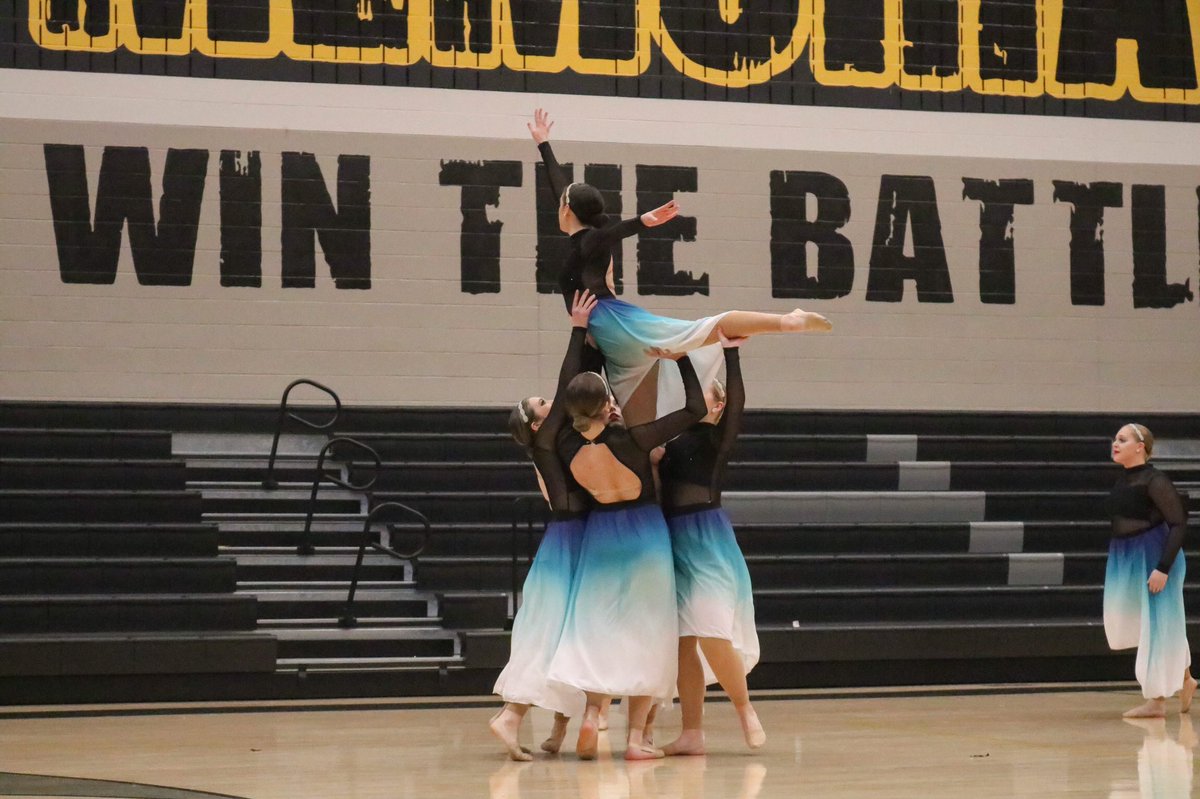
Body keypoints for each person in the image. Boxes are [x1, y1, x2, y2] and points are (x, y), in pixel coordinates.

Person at [528, 108, 831, 426]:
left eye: (562, 204)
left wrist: (642, 221)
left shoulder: (588, 241)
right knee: (638, 427)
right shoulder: (580, 237)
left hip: (613, 326)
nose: (558, 205)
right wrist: (544, 144)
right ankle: (784, 323)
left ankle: (788, 321)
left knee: (705, 327)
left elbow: (605, 234)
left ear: (567, 211)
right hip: (608, 341)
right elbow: (562, 193)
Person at [546, 352, 707, 760]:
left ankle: (591, 713)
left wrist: (582, 341)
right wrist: (683, 359)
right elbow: (695, 408)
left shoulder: (563, 442)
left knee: (601, 633)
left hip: (601, 534)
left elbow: (568, 398)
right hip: (645, 537)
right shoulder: (634, 438)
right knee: (649, 637)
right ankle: (636, 739)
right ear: (608, 405)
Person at [491, 290, 598, 760]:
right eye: (542, 403)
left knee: (573, 637)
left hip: (573, 538)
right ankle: (509, 718)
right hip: (569, 542)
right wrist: (578, 329)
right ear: (536, 423)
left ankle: (558, 730)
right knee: (550, 633)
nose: (551, 401)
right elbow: (568, 379)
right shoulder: (548, 441)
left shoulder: (556, 440)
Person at [657, 331, 763, 754]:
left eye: (707, 396)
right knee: (684, 643)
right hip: (671, 543)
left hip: (706, 537)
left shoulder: (718, 438)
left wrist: (730, 354)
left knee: (713, 632)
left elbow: (736, 401)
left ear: (716, 406)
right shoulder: (669, 439)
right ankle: (692, 732)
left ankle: (745, 711)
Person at [1105, 422, 1196, 718]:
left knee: (1156, 625)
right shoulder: (1123, 480)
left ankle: (1156, 700)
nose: (1115, 444)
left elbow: (1179, 523)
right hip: (1127, 555)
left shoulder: (1154, 480)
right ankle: (1185, 679)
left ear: (1140, 446)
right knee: (1151, 622)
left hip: (1154, 557)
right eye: (1115, 439)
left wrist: (1163, 568)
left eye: (1122, 439)